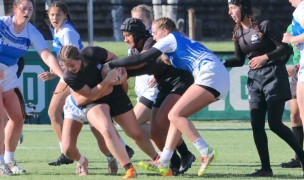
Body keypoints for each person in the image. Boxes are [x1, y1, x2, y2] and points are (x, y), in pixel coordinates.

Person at [104, 17, 230, 177]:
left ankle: (206, 151)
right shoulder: (176, 47)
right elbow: (152, 66)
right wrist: (126, 73)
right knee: (175, 117)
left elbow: (142, 59)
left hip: (210, 75)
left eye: (156, 33)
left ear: (165, 30)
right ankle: (165, 160)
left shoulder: (171, 38)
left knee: (174, 115)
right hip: (217, 77)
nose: (154, 37)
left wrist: (111, 65)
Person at [225, 0, 304, 177]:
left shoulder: (264, 25)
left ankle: (302, 158)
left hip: (273, 77)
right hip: (255, 81)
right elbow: (239, 60)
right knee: (256, 125)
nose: (229, 12)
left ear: (243, 7)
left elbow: (285, 49)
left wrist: (265, 58)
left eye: (232, 8)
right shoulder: (238, 32)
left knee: (275, 124)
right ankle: (266, 169)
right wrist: (220, 62)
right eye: (228, 9)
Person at [58, 45, 161, 178]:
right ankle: (129, 169)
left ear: (79, 58)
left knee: (136, 133)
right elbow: (89, 95)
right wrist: (108, 80)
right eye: (66, 66)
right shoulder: (69, 76)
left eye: (72, 64)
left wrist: (122, 75)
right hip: (94, 102)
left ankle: (159, 161)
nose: (70, 69)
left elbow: (115, 59)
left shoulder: (92, 52)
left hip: (114, 94)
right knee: (107, 130)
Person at [121, 17, 196, 175]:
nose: (125, 39)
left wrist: (115, 66)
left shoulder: (149, 42)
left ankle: (178, 157)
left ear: (137, 33)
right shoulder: (136, 47)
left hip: (177, 81)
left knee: (162, 121)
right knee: (155, 131)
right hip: (163, 85)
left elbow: (143, 63)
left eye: (127, 35)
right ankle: (177, 159)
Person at [0, 0, 63, 176]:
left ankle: (9, 160)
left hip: (10, 75)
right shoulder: (2, 24)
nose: (27, 12)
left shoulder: (31, 31)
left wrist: (62, 75)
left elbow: (45, 54)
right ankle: (0, 164)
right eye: (23, 8)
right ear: (14, 9)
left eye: (30, 9)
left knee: (18, 118)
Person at [281, 24, 302, 168]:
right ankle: (299, 157)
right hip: (298, 74)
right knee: (294, 114)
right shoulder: (291, 27)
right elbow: (285, 49)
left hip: (302, 70)